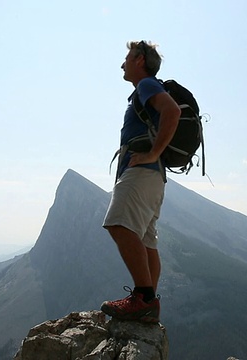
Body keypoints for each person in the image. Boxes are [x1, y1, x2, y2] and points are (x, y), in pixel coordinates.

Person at [100, 40, 180, 323]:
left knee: (119, 224)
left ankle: (143, 298)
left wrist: (152, 152)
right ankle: (149, 304)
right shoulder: (145, 89)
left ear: (140, 61)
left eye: (127, 58)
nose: (122, 64)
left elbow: (173, 111)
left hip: (142, 172)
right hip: (154, 177)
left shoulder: (147, 85)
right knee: (146, 239)